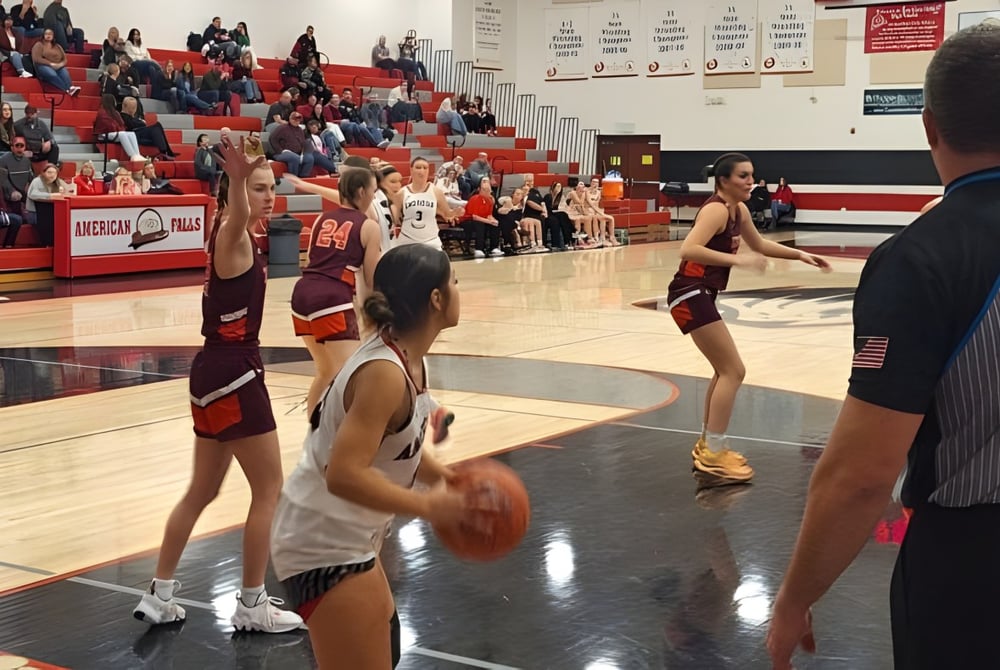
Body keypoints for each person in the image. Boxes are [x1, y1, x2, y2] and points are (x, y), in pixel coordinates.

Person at [768, 25, 1000, 670]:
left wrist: (794, 596)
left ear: (929, 128)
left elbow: (861, 475)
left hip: (972, 569)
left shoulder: (922, 258)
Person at [270, 244, 494, 668]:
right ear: (436, 299)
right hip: (319, 541)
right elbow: (344, 474)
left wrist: (445, 477)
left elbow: (404, 446)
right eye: (455, 281)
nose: (459, 289)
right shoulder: (384, 374)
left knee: (384, 641)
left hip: (346, 536)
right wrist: (429, 506)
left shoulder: (408, 357)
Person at [132, 136, 304, 634]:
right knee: (270, 487)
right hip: (234, 372)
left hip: (210, 371)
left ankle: (160, 594)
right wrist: (234, 181)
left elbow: (236, 214)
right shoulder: (235, 236)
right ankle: (252, 603)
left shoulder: (231, 234)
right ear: (236, 194)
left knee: (201, 491)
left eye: (271, 187)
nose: (268, 196)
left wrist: (239, 187)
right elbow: (235, 214)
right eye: (258, 188)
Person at [666, 152, 831, 487]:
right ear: (724, 180)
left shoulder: (738, 210)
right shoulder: (715, 209)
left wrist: (801, 254)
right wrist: (737, 261)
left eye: (751, 175)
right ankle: (714, 448)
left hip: (701, 293)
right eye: (743, 176)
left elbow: (760, 245)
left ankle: (708, 444)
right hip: (688, 292)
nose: (750, 181)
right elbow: (689, 249)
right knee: (733, 370)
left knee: (723, 370)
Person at [291, 166, 382, 418]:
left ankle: (314, 431)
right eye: (373, 192)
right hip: (331, 297)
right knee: (352, 374)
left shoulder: (322, 218)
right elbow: (372, 279)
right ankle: (348, 439)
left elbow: (310, 258)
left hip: (302, 294)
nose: (373, 198)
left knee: (325, 370)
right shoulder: (369, 226)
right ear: (361, 191)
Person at [392, 157, 459, 250]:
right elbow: (395, 220)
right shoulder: (402, 193)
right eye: (418, 167)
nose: (422, 171)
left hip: (431, 241)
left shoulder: (436, 191)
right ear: (411, 170)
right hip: (407, 240)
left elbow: (447, 214)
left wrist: (455, 213)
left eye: (425, 168)